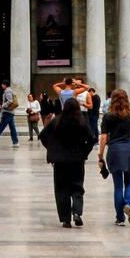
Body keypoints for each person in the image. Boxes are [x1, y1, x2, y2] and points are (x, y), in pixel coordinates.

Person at [39, 97, 96, 228]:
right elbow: (92, 139)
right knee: (77, 187)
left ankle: (66, 219)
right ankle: (77, 212)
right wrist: (84, 153)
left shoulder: (57, 121)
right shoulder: (82, 121)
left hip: (60, 161)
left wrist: (52, 149)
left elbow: (43, 136)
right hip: (77, 159)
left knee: (61, 189)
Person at [97, 88, 130, 226]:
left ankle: (120, 218)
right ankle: (129, 204)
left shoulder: (108, 116)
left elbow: (103, 137)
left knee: (117, 186)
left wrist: (100, 155)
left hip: (115, 150)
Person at [0, 81, 20, 147]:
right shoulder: (10, 90)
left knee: (1, 126)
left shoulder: (8, 90)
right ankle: (15, 142)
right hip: (10, 112)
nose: (1, 85)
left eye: (2, 84)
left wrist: (3, 106)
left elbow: (10, 100)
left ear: (5, 85)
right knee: (12, 127)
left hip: (7, 112)